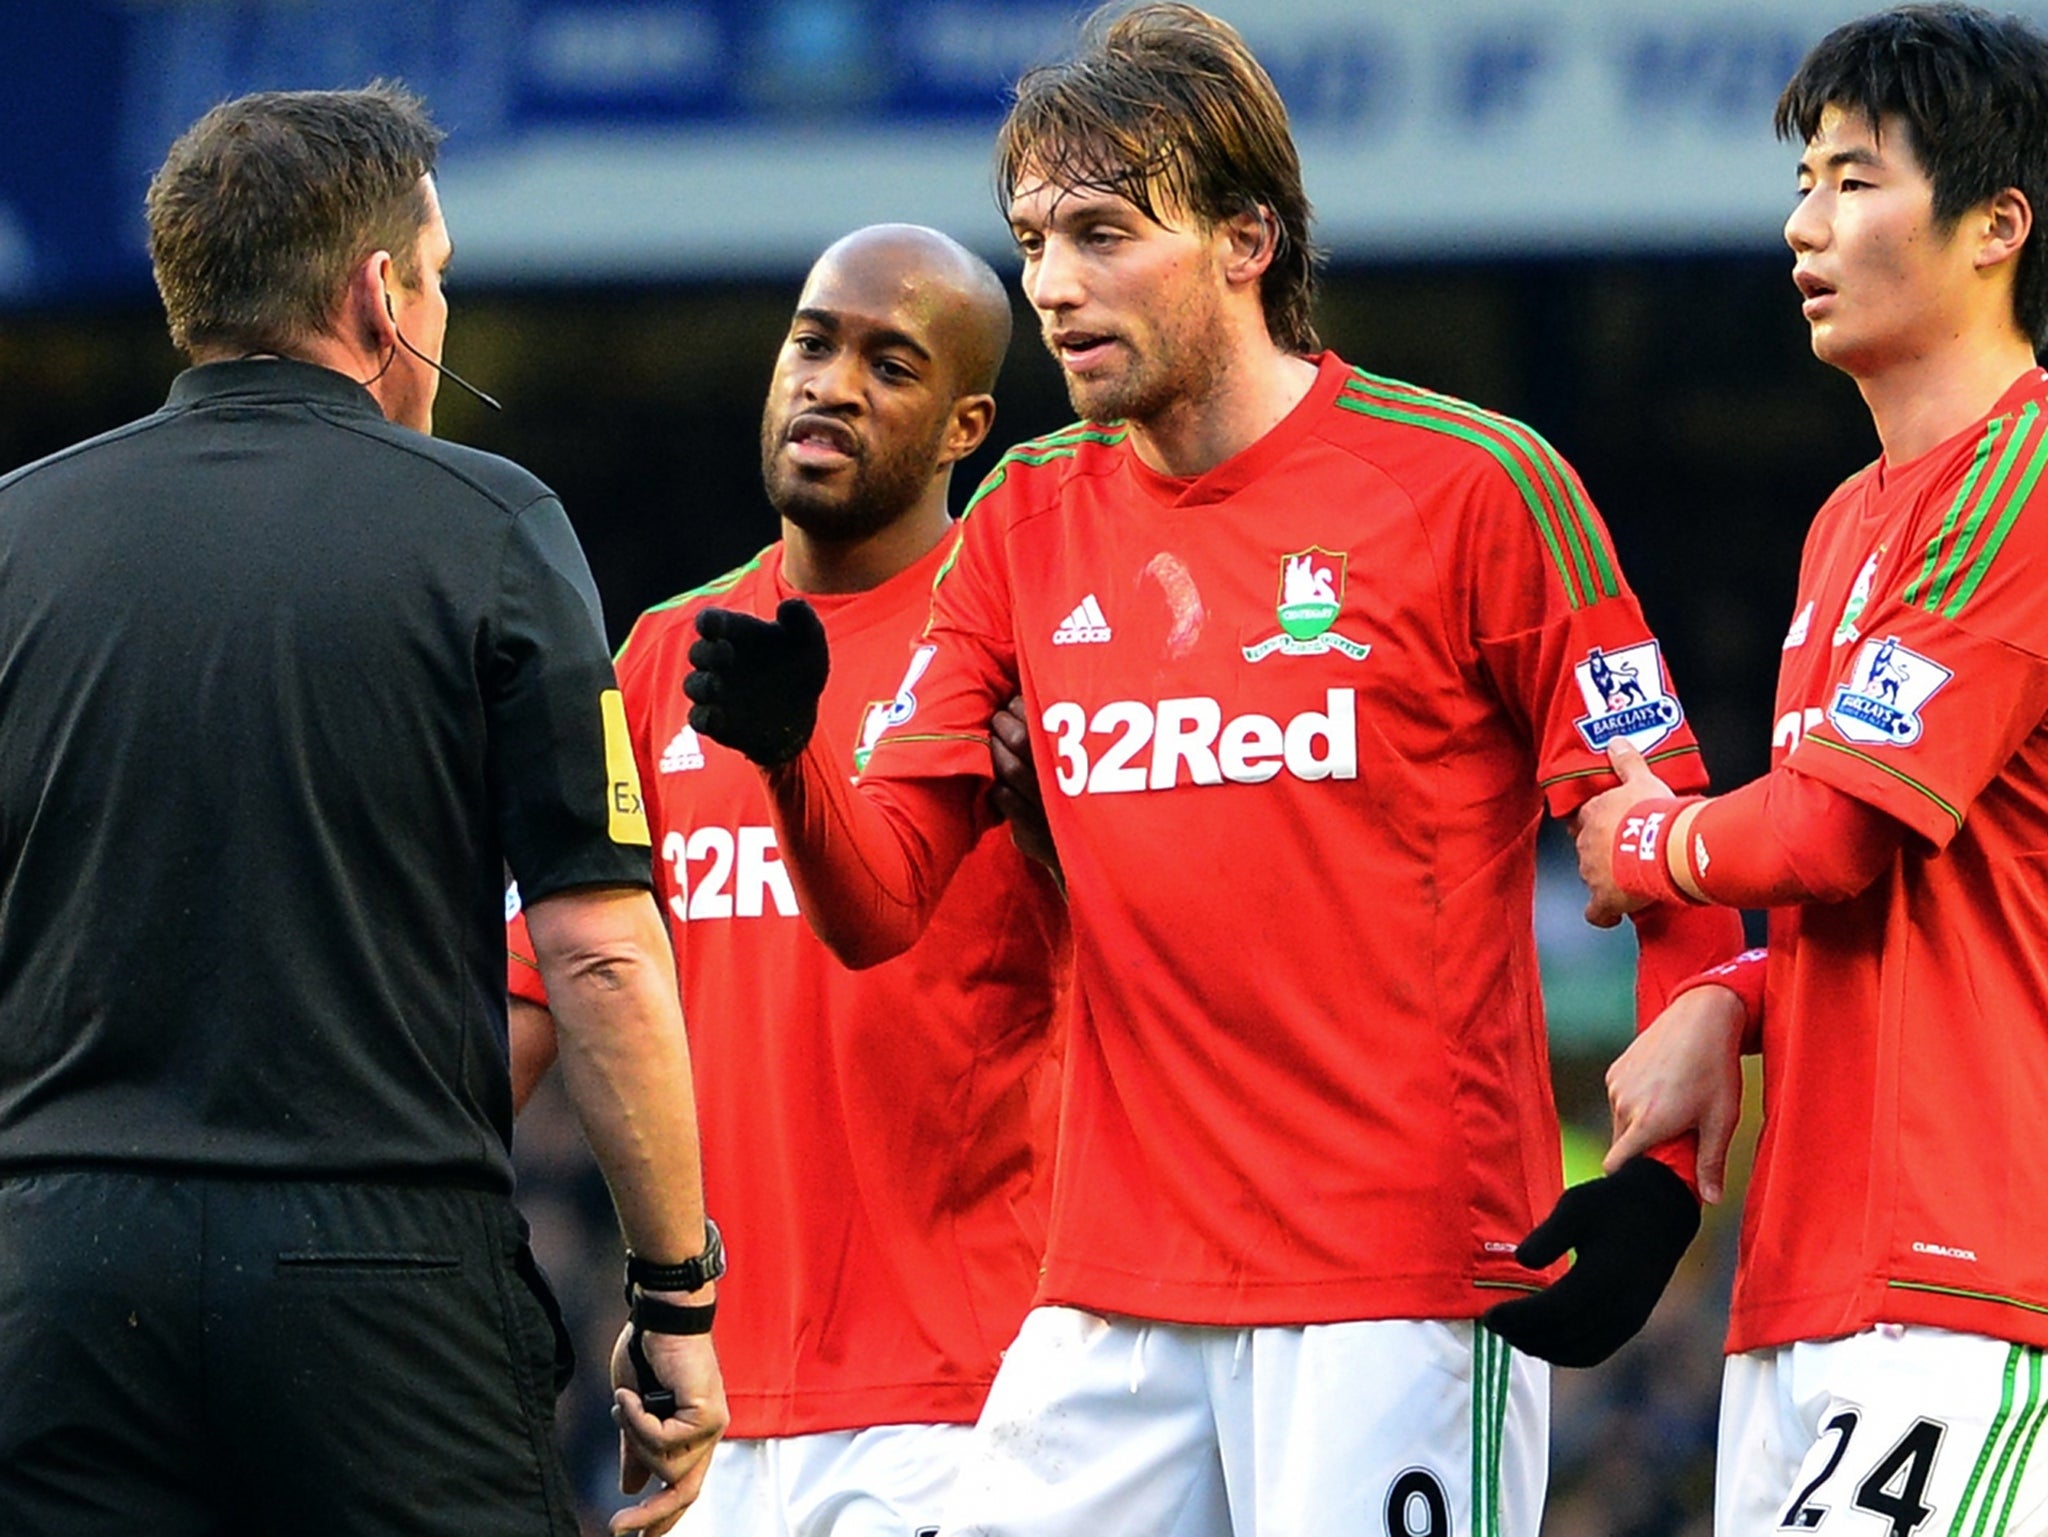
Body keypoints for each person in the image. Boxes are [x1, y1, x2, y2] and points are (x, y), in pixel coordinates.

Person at [680, 7, 1743, 1534]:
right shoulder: (1025, 517)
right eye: (1036, 238)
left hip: (1400, 1284)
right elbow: (878, 907)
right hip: (1112, 1296)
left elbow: (1663, 831)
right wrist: (791, 762)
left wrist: (1664, 1177)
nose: (1051, 286)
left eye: (1104, 234)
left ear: (1247, 237)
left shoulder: (1477, 485)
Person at [0, 85, 724, 1537]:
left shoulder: (16, 530)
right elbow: (598, 954)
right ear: (379, 294)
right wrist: (672, 1297)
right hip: (377, 1269)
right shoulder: (492, 524)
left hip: (61, 1275)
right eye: (441, 277)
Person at [505, 223, 1070, 1536]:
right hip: (709, 1398)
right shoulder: (662, 659)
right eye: (813, 342)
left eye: (890, 362)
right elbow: (539, 988)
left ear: (963, 423)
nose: (832, 382)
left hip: (963, 1395)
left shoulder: (1015, 654)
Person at [1573, 7, 2048, 1533]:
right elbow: (1916, 895)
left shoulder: (2025, 472)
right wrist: (1733, 993)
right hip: (1810, 1283)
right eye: (1803, 181)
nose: (1801, 224)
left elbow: (1839, 831)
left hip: (1974, 1271)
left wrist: (1654, 848)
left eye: (1855, 180)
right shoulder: (1850, 518)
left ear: (1997, 224)